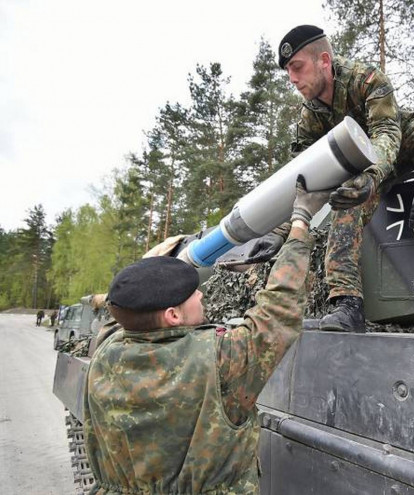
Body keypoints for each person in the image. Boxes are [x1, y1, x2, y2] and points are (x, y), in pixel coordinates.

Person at [82, 178, 330, 495]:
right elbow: (279, 309)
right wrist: (301, 221)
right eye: (191, 293)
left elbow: (127, 301)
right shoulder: (219, 359)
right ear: (172, 315)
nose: (200, 294)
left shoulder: (104, 352)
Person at [247, 25, 414, 333]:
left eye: (297, 68)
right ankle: (347, 305)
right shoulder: (309, 117)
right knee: (346, 203)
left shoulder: (366, 79)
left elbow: (386, 132)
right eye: (288, 71)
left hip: (400, 142)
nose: (292, 79)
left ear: (324, 60)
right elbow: (302, 178)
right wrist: (277, 232)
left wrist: (371, 176)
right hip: (361, 174)